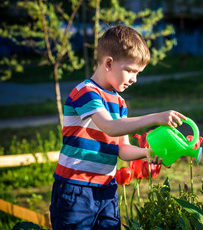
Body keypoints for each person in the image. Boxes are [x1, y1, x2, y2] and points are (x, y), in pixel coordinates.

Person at [49, 24, 186, 229]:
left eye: (138, 73)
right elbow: (110, 127)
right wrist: (155, 117)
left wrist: (146, 152)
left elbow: (121, 149)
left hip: (106, 189)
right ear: (109, 63)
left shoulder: (119, 103)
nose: (134, 79)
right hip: (75, 190)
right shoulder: (86, 92)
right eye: (130, 70)